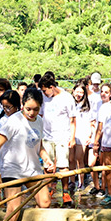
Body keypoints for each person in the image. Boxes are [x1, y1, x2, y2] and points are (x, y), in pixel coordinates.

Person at [0, 88, 54, 221]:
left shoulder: (39, 121)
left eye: (35, 109)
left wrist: (47, 158)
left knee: (45, 202)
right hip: (13, 169)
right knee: (13, 208)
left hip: (33, 169)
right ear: (22, 106)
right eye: (28, 109)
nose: (31, 113)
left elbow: (39, 146)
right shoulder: (13, 121)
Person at [39, 72, 77, 207]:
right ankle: (48, 190)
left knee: (63, 166)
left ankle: (65, 192)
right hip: (47, 137)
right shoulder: (43, 98)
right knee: (47, 166)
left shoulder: (66, 98)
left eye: (44, 90)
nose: (43, 93)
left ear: (51, 86)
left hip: (62, 136)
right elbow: (40, 115)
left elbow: (73, 119)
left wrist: (72, 137)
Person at [88, 83, 111, 195]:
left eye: (106, 92)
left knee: (103, 165)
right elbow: (92, 120)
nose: (103, 94)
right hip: (95, 136)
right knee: (91, 163)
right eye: (102, 91)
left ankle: (102, 188)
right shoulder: (97, 104)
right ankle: (96, 186)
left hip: (106, 137)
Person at [69, 80, 92, 189]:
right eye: (77, 92)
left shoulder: (87, 106)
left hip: (82, 135)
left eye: (81, 92)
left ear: (84, 94)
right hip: (70, 134)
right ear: (73, 91)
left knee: (79, 159)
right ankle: (72, 181)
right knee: (71, 159)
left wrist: (89, 136)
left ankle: (81, 182)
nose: (78, 94)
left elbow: (91, 122)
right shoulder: (69, 104)